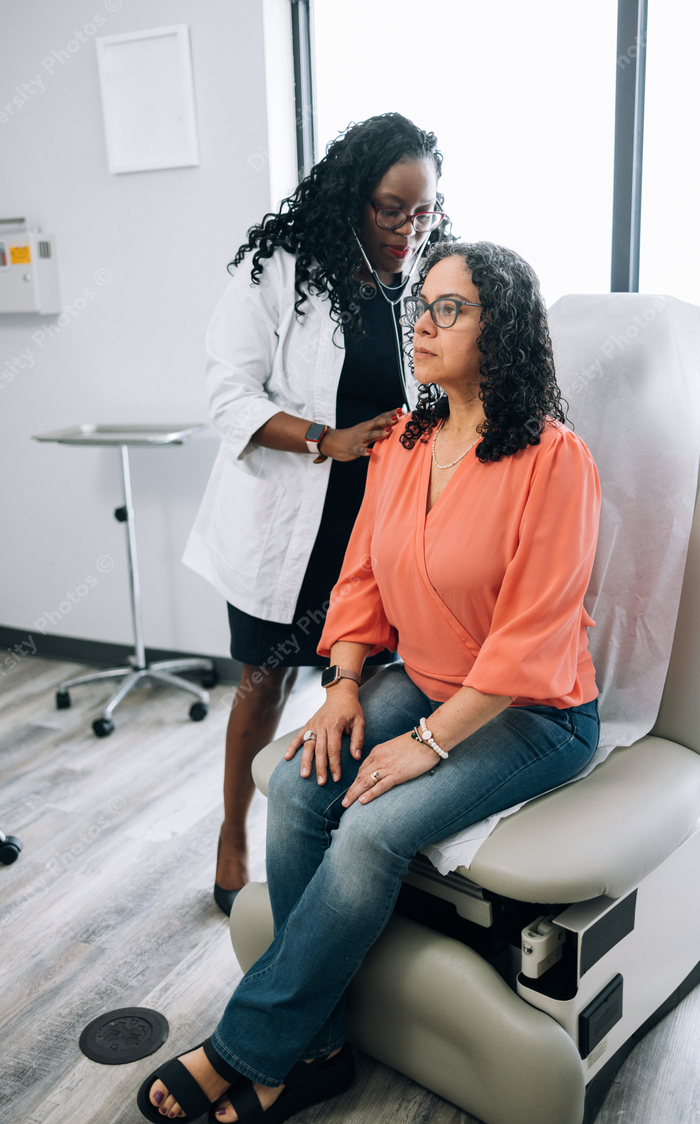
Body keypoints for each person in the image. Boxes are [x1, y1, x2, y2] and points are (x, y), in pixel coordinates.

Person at [140, 241, 601, 1122]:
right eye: (420, 305)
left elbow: (531, 637)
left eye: (450, 308)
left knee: (371, 829)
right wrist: (343, 682)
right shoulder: (405, 439)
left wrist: (426, 744)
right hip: (419, 676)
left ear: (500, 329)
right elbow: (360, 577)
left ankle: (245, 1047)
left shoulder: (555, 460)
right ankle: (317, 1051)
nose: (421, 324)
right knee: (303, 783)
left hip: (534, 712)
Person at [183, 114, 451, 914]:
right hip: (289, 518)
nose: (409, 228)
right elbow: (226, 393)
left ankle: (325, 846)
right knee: (262, 684)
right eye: (390, 209)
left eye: (423, 211)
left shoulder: (422, 278)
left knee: (361, 688)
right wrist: (323, 440)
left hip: (380, 522)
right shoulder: (281, 269)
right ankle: (234, 835)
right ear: (351, 199)